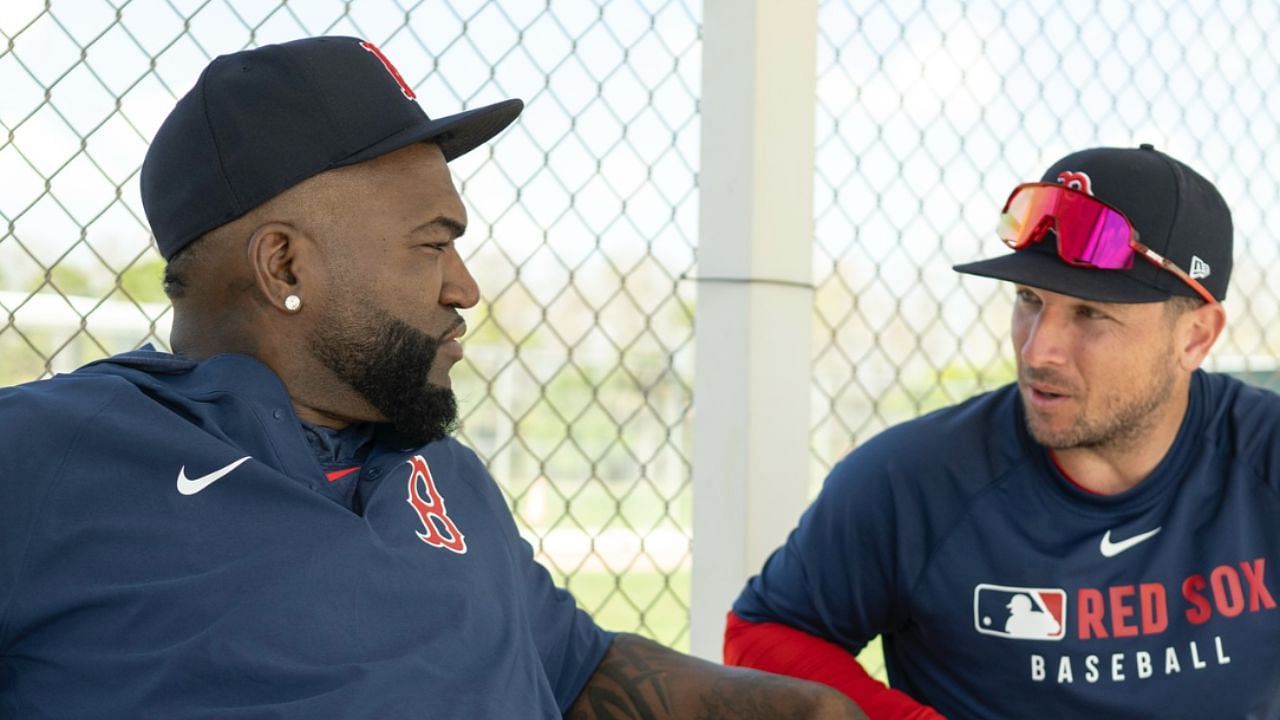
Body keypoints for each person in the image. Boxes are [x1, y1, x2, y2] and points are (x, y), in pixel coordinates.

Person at [0, 35, 864, 719]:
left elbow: (577, 669)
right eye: (431, 244)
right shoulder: (49, 457)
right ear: (285, 267)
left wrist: (809, 711)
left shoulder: (439, 472)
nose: (465, 287)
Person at [725, 145, 1280, 718]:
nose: (1038, 349)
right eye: (1029, 299)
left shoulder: (1264, 456)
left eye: (1091, 314)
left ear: (1195, 337)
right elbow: (762, 634)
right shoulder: (912, 479)